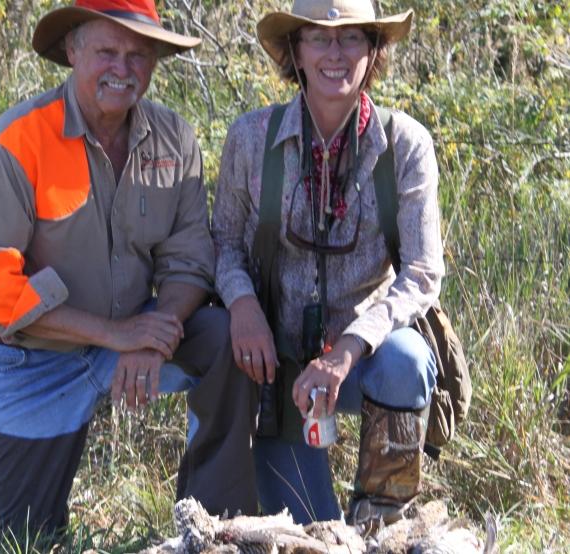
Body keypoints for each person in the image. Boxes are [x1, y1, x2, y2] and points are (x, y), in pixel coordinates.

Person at [0, 0, 258, 542]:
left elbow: (191, 261)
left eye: (139, 55)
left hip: (138, 327)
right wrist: (117, 335)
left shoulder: (174, 138)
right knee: (24, 539)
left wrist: (151, 336)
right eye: (107, 51)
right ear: (72, 50)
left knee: (223, 340)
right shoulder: (16, 144)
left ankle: (216, 530)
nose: (124, 69)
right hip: (33, 358)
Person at [212, 0, 443, 529]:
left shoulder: (405, 145)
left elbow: (423, 273)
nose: (334, 54)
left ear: (373, 50)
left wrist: (346, 349)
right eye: (318, 38)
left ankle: (386, 516)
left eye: (351, 39)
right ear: (295, 50)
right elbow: (223, 240)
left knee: (406, 362)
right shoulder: (251, 138)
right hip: (277, 365)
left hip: (368, 356)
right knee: (312, 534)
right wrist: (243, 305)